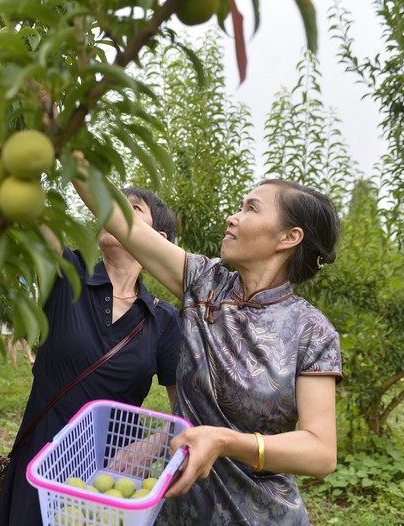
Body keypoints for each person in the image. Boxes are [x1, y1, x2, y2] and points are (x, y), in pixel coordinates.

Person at [73, 175, 342, 525]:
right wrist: (70, 145)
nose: (233, 217)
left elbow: (320, 452)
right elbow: (118, 216)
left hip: (261, 516)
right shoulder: (204, 284)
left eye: (250, 209)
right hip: (181, 512)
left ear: (288, 238)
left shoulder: (312, 330)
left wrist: (227, 442)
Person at [0, 187, 182, 526]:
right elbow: (30, 205)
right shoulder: (68, 272)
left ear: (157, 238)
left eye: (133, 208)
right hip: (42, 462)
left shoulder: (163, 319)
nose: (113, 213)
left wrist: (155, 444)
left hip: (111, 476)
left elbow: (185, 408)